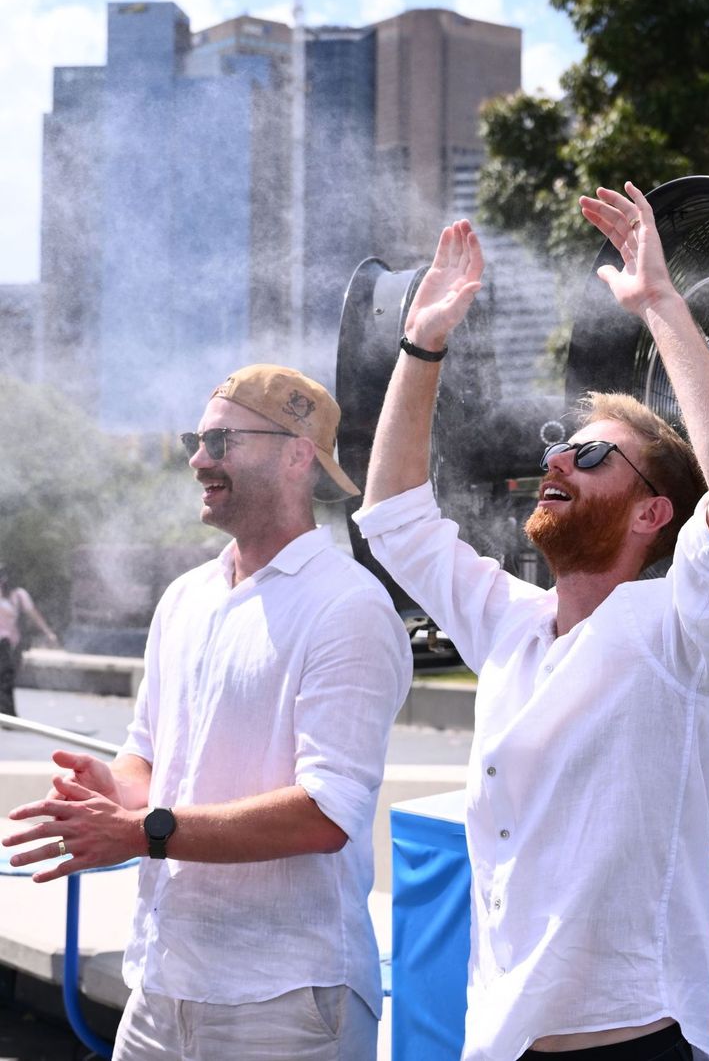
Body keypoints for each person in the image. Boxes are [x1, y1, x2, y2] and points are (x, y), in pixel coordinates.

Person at [352, 183, 709, 1060]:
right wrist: (423, 342)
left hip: (633, 1042)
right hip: (503, 1041)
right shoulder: (510, 624)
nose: (557, 458)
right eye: (559, 444)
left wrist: (659, 302)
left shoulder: (676, 630)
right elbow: (393, 514)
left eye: (591, 456)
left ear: (655, 513)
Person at [4, 365, 412, 1061]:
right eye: (198, 439)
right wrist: (113, 793)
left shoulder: (348, 607)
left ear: (296, 455)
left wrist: (140, 830)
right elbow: (148, 758)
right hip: (161, 991)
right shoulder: (186, 596)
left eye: (221, 441)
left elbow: (326, 814)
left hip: (287, 1005)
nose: (198, 459)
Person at [0, 563, 62, 717]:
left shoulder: (19, 595)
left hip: (9, 643)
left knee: (6, 678)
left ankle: (7, 714)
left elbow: (33, 614)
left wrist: (48, 633)